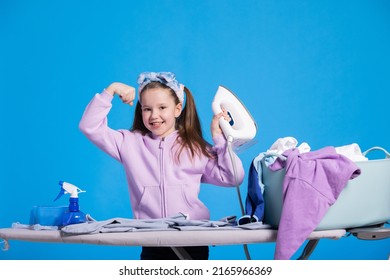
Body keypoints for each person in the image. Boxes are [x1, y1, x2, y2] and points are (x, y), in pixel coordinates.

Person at [79, 72, 245, 260]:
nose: (154, 115)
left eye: (162, 107)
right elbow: (89, 126)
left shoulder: (195, 146)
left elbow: (233, 177)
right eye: (147, 109)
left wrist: (219, 139)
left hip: (193, 239)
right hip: (152, 239)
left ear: (177, 109)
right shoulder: (128, 143)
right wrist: (111, 89)